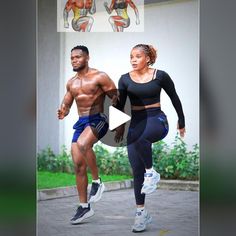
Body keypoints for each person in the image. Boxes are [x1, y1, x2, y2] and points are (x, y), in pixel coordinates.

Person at [114, 44, 186, 232]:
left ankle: (151, 172)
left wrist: (182, 120)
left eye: (137, 56)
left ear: (147, 58)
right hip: (135, 122)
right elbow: (120, 106)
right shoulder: (124, 79)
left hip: (156, 119)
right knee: (136, 169)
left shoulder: (160, 76)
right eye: (131, 56)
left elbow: (174, 97)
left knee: (140, 138)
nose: (133, 59)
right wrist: (118, 127)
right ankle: (141, 213)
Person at [57, 45, 117, 224]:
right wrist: (63, 110)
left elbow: (115, 95)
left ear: (87, 58)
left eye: (77, 57)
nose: (74, 60)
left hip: (99, 118)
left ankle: (98, 181)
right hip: (81, 122)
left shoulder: (100, 76)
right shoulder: (71, 82)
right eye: (72, 58)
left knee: (84, 144)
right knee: (78, 165)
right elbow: (67, 103)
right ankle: (84, 207)